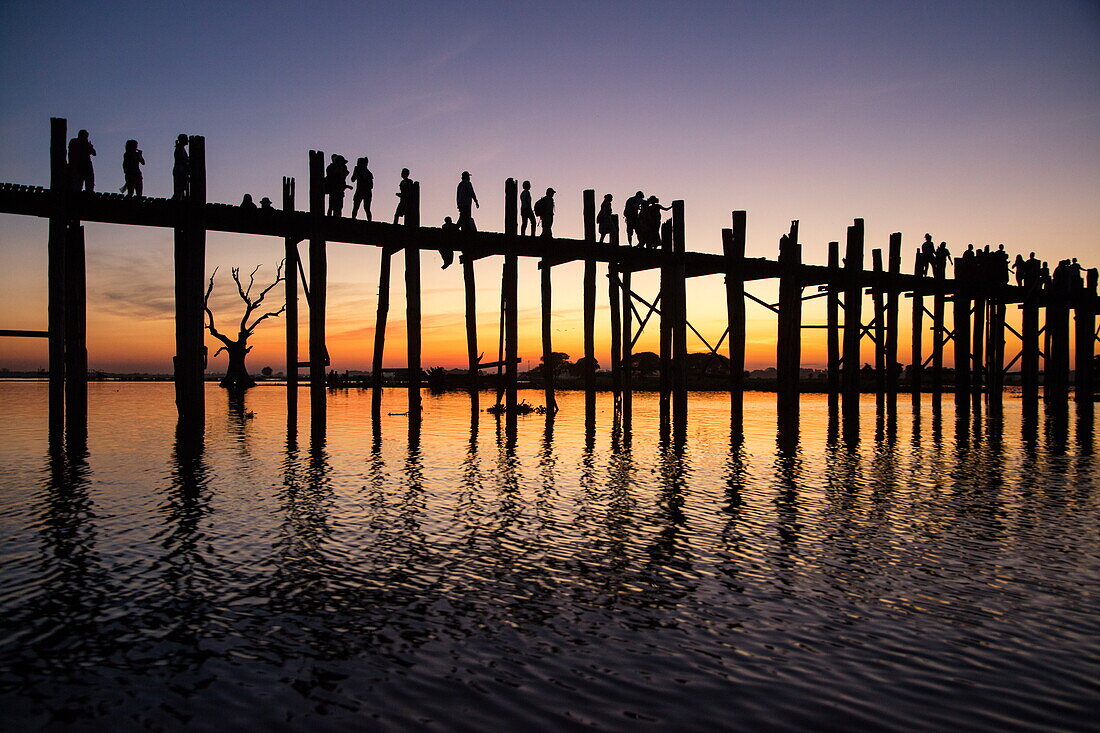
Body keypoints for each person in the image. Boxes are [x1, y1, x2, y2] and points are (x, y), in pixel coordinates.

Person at [173, 134, 190, 199]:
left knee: (181, 190)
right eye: (186, 139)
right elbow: (182, 160)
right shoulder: (179, 148)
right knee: (180, 189)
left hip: (181, 170)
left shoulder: (180, 148)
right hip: (180, 171)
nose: (187, 141)